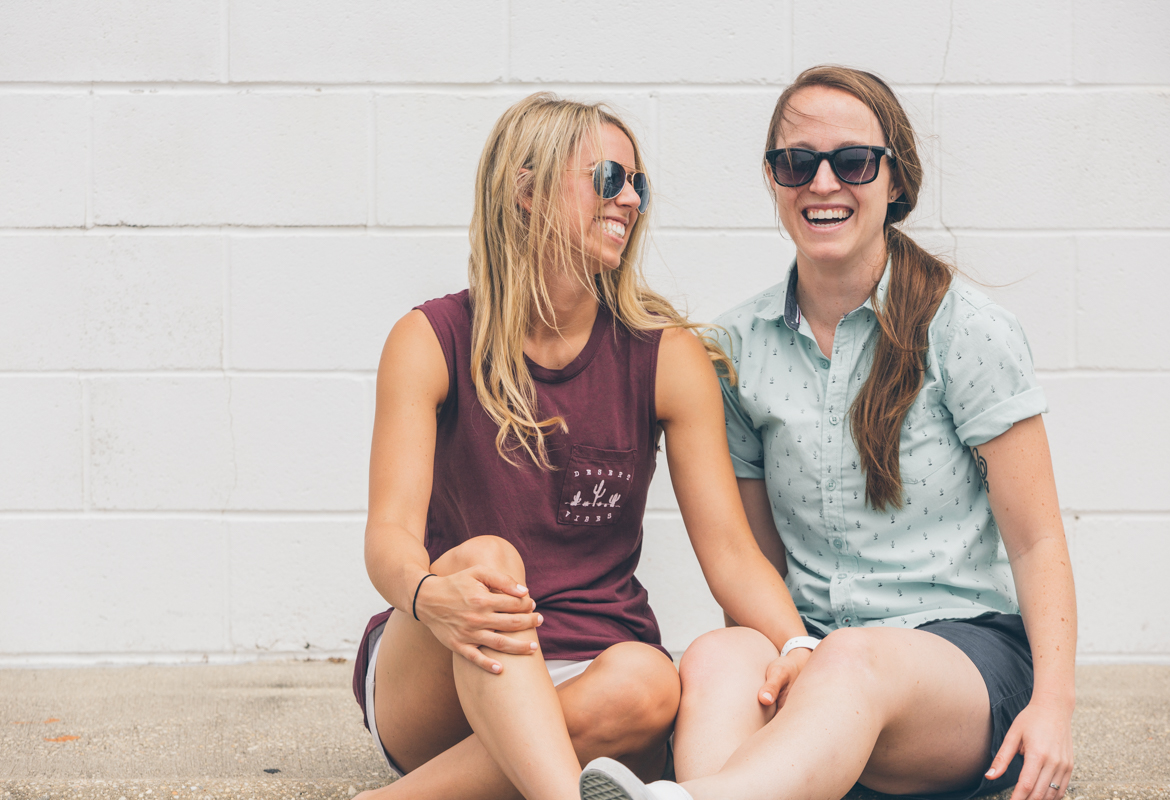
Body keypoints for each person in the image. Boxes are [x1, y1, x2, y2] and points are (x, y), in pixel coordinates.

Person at [579, 66, 1077, 800]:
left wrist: (1054, 709)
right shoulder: (737, 348)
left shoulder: (966, 330)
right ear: (774, 179)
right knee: (718, 654)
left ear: (893, 175)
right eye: (796, 162)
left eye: (851, 161)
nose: (822, 182)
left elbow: (1037, 542)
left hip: (957, 662)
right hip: (811, 655)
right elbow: (755, 564)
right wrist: (781, 653)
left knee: (854, 659)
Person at [352, 92, 810, 800]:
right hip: (447, 657)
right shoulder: (430, 340)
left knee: (653, 681)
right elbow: (388, 539)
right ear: (526, 190)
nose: (629, 199)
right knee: (489, 567)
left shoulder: (666, 358)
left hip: (595, 676)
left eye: (638, 184)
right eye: (608, 179)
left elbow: (730, 553)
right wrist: (428, 595)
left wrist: (797, 647)